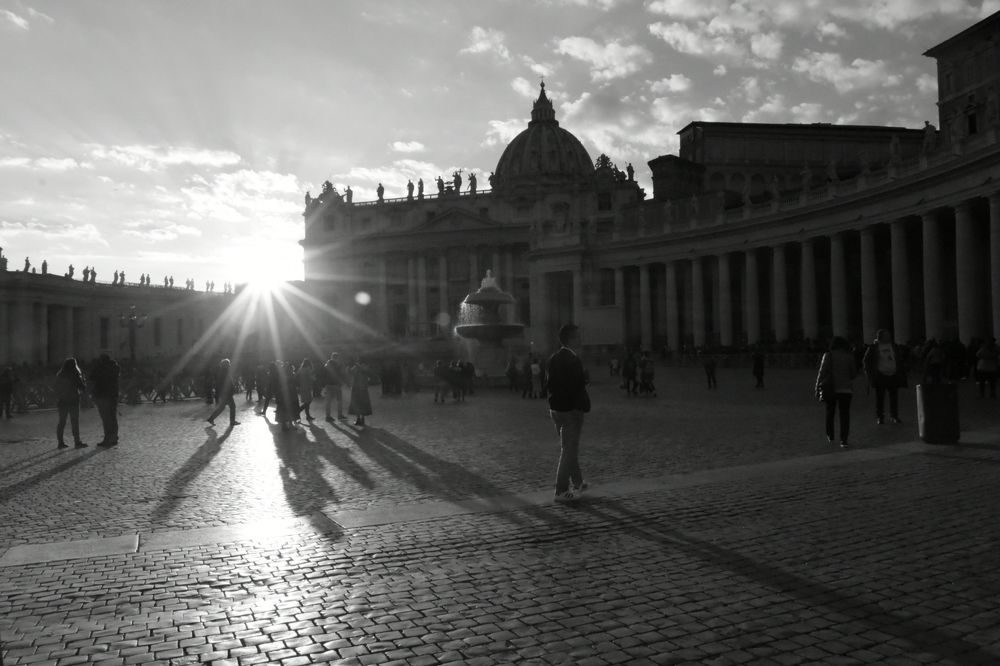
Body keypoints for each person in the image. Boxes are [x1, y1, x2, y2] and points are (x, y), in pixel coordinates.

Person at [547, 323, 591, 503]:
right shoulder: (573, 359)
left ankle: (578, 482)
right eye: (578, 336)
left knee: (568, 448)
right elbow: (576, 388)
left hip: (556, 410)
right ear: (570, 339)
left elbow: (549, 385)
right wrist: (581, 405)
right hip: (570, 411)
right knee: (568, 450)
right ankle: (561, 490)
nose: (580, 339)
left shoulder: (553, 358)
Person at [815, 337, 858, 448]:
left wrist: (817, 387)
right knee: (844, 414)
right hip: (846, 388)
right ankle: (844, 439)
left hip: (831, 387)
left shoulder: (828, 355)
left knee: (830, 412)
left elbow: (822, 372)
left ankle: (830, 435)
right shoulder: (849, 356)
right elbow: (853, 374)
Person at [862, 329, 908, 425]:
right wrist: (870, 373)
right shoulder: (874, 347)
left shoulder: (894, 346)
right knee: (880, 398)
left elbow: (899, 358)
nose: (888, 337)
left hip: (893, 374)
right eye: (886, 335)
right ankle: (880, 416)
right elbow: (866, 360)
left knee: (894, 397)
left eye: (889, 335)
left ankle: (894, 415)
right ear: (880, 337)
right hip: (880, 375)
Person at [54, 358, 88, 449]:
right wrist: (83, 381)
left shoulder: (60, 375)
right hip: (73, 401)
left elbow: (56, 388)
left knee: (62, 422)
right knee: (74, 422)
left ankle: (60, 442)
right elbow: (81, 387)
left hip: (62, 401)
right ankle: (77, 442)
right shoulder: (75, 374)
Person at [90, 354, 120, 447]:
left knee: (106, 419)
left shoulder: (100, 368)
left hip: (102, 395)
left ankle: (107, 439)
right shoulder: (115, 367)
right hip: (113, 395)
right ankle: (114, 437)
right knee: (113, 417)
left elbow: (92, 377)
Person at [206, 358, 239, 427]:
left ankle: (211, 418)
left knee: (222, 407)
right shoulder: (225, 372)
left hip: (223, 393)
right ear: (226, 365)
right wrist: (231, 389)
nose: (229, 365)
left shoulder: (222, 372)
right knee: (232, 406)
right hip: (226, 393)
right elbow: (227, 382)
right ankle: (232, 421)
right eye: (228, 364)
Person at [347, 357, 372, 427]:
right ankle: (362, 418)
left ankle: (358, 419)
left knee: (356, 403)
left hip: (356, 388)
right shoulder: (365, 367)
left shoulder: (356, 367)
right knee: (363, 403)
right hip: (363, 388)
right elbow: (369, 375)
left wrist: (349, 368)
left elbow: (351, 373)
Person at [323, 353, 346, 420]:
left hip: (328, 385)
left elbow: (323, 374)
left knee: (328, 402)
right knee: (339, 400)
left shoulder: (326, 365)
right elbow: (341, 373)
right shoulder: (338, 364)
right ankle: (339, 415)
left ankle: (328, 416)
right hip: (336, 384)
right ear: (337, 358)